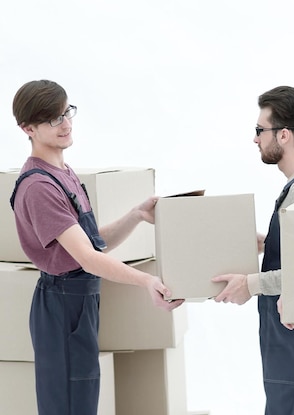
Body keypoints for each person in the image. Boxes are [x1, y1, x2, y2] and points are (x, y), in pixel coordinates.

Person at [10, 79, 184, 415]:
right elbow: (88, 258)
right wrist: (146, 281)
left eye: (66, 113)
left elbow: (90, 242)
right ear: (27, 128)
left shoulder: (64, 173)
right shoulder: (38, 187)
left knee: (82, 400)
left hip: (80, 301)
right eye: (52, 119)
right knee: (69, 404)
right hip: (62, 305)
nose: (65, 124)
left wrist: (135, 215)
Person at [211, 86, 294, 415]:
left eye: (260, 130)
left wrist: (249, 284)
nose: (255, 139)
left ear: (283, 135)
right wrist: (265, 241)